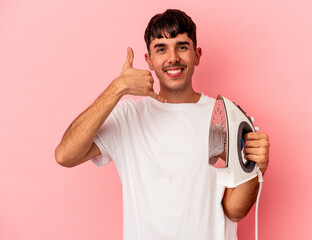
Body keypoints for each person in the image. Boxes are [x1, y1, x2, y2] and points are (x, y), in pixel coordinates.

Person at [55, 9, 269, 240]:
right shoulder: (128, 116)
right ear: (149, 60)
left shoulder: (221, 116)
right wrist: (117, 88)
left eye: (182, 47)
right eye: (161, 49)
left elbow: (233, 210)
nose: (173, 58)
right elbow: (65, 155)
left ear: (197, 55)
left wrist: (257, 167)